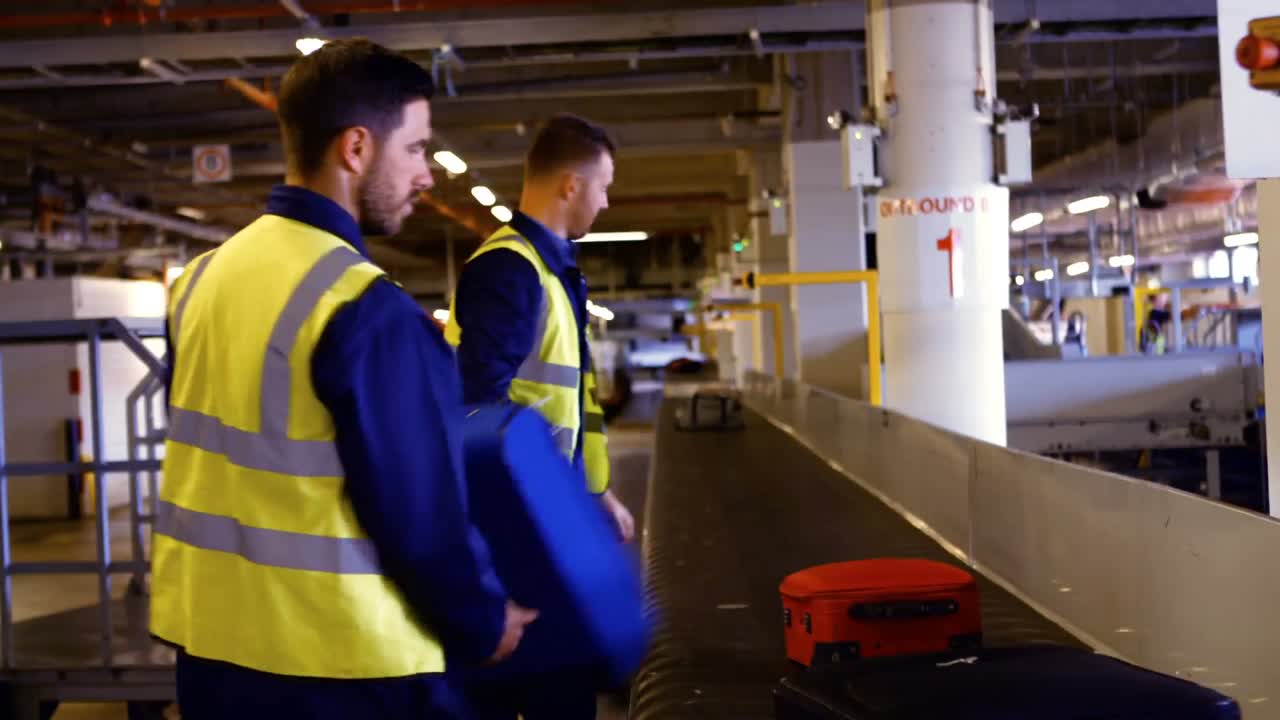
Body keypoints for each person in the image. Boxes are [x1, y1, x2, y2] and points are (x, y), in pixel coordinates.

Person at [151, 39, 536, 720]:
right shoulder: (367, 311)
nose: (426, 177)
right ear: (356, 148)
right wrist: (482, 622)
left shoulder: (202, 280)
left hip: (212, 661)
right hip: (346, 671)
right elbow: (423, 518)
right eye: (416, 150)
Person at [444, 113, 635, 720]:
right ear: (570, 185)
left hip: (546, 514)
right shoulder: (510, 270)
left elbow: (566, 405)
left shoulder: (550, 271)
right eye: (602, 187)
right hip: (518, 536)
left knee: (570, 688)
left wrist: (591, 492)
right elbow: (476, 414)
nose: (605, 203)